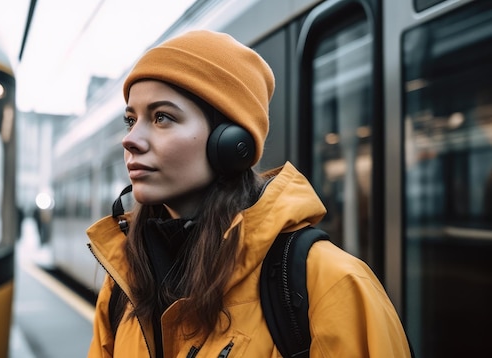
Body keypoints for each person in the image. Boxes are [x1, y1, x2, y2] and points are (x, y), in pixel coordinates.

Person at [86, 30, 411, 357]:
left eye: (162, 117)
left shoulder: (330, 283)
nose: (130, 140)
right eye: (131, 120)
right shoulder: (123, 286)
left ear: (230, 141)